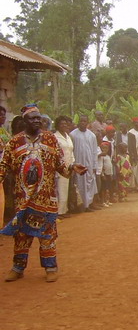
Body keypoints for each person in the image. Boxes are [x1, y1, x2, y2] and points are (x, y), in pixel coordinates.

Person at [0, 104, 87, 282]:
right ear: (24, 121)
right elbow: (3, 166)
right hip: (23, 199)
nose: (37, 121)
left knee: (48, 233)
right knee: (21, 234)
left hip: (46, 198)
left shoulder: (50, 139)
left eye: (38, 118)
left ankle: (50, 267)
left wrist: (72, 167)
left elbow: (61, 165)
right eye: (32, 118)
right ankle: (18, 267)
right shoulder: (14, 143)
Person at [70, 115, 99, 212]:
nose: (83, 123)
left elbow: (94, 151)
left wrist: (94, 165)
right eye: (81, 121)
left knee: (89, 184)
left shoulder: (92, 135)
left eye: (84, 121)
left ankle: (88, 204)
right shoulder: (73, 135)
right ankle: (80, 206)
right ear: (78, 122)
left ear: (87, 122)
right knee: (79, 184)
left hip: (89, 164)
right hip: (78, 164)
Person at [53, 116, 75, 218]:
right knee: (59, 189)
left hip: (68, 166)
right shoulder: (55, 137)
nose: (64, 126)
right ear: (57, 125)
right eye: (62, 124)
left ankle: (63, 210)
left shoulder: (68, 137)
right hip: (59, 167)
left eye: (65, 124)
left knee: (65, 189)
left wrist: (72, 164)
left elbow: (71, 151)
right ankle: (58, 212)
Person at [127, 117, 138, 191]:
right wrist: (132, 155)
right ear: (134, 123)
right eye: (137, 122)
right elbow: (130, 145)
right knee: (134, 169)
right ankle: (132, 186)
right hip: (134, 152)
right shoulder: (131, 133)